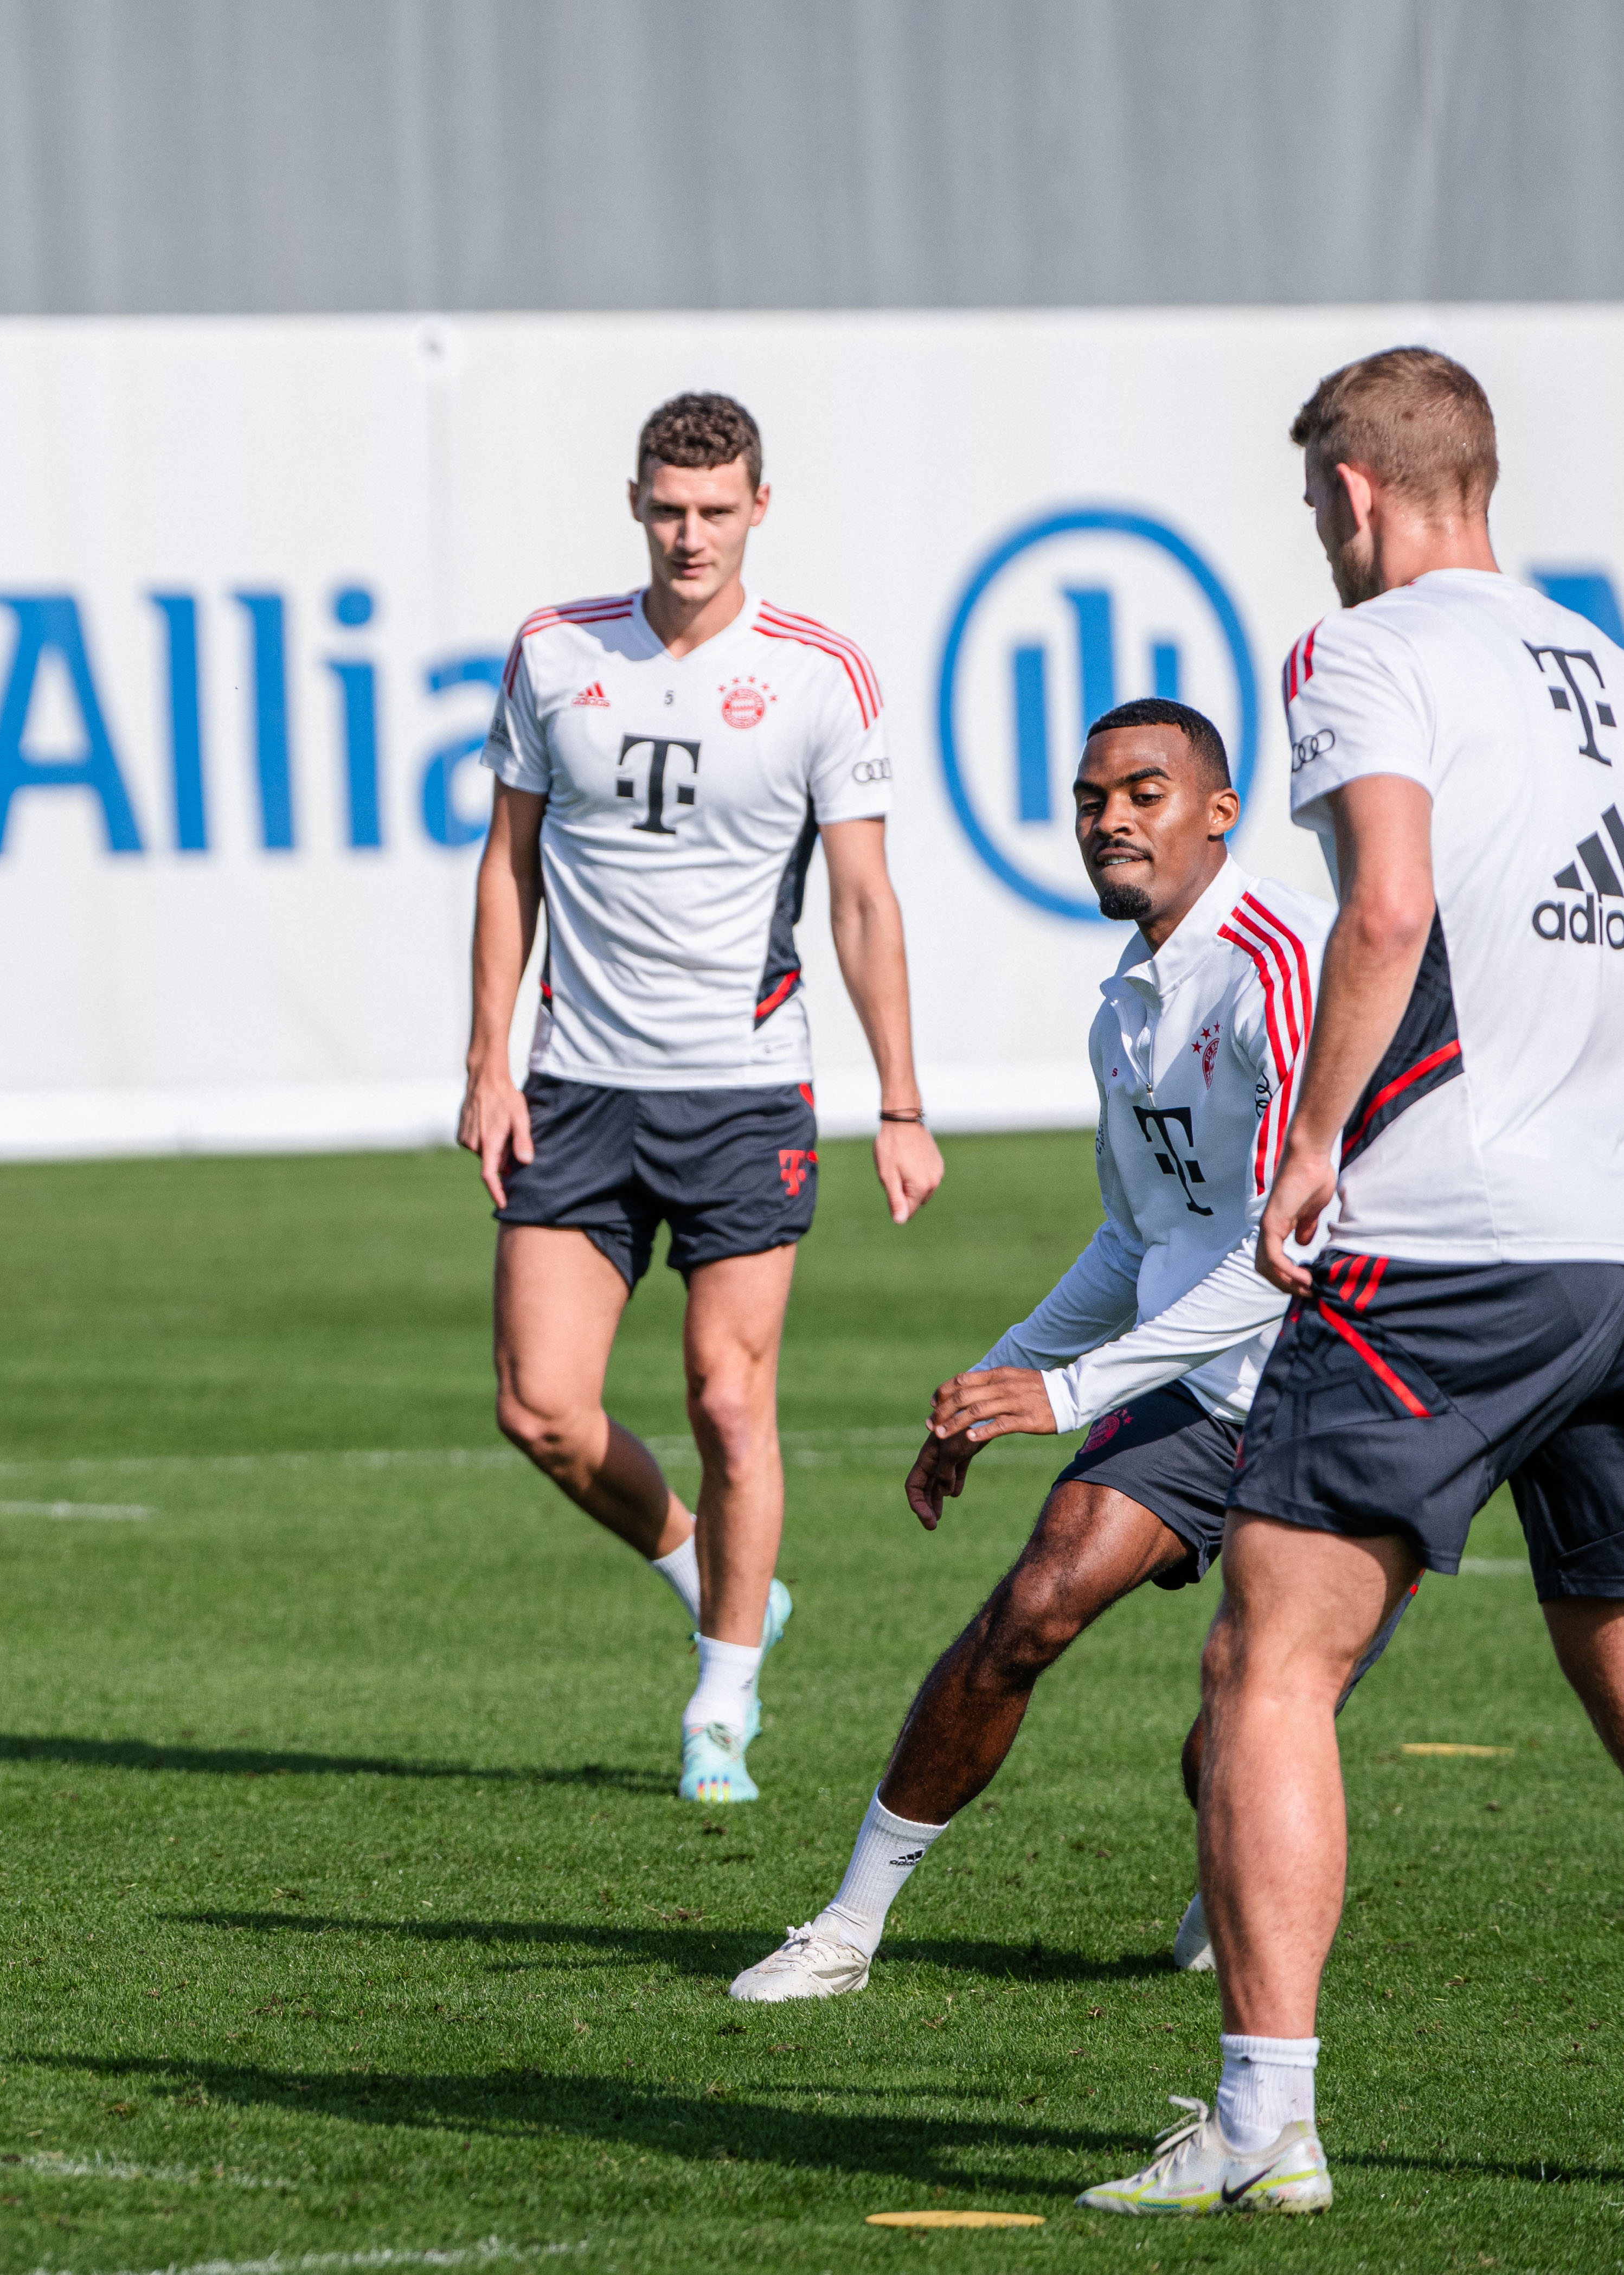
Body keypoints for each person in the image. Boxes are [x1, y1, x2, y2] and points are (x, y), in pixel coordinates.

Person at [1085, 349, 1624, 2217]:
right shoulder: (1591, 667)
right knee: (1617, 1655)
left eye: (1316, 499)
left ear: (1353, 497)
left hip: (1444, 1237)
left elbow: (1379, 906)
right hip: (1606, 1239)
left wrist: (1308, 1143)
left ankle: (1256, 2123)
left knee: (1266, 1657)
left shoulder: (1367, 653)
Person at [731, 700, 1410, 2003]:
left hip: (1336, 1384)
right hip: (1193, 1388)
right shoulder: (1122, 1005)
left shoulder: (1272, 964)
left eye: (1143, 794)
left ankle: (1242, 1881)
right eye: (1091, 798)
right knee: (1029, 1607)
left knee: (1240, 1712)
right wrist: (998, 1380)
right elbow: (1134, 1232)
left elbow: (1287, 1250)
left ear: (1219, 812)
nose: (1109, 820)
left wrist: (1069, 1389)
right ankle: (847, 1928)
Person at [460, 391, 945, 1805]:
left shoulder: (815, 674)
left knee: (730, 1403)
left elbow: (860, 899)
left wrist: (899, 1100)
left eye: (715, 511)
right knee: (538, 1406)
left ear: (757, 509)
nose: (689, 536)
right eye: (668, 510)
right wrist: (485, 1058)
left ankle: (720, 1702)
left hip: (740, 1092)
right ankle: (707, 1570)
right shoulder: (555, 652)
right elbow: (508, 867)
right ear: (634, 503)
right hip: (575, 1085)